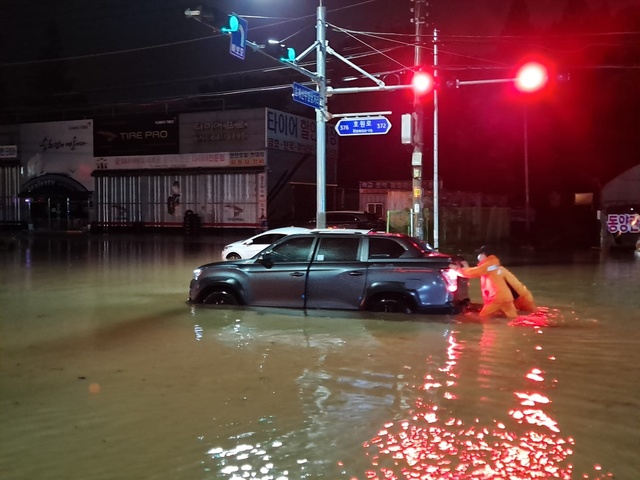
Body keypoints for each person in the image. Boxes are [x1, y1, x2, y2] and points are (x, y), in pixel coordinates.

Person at [452, 246, 535, 320]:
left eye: (480, 254)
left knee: (482, 317)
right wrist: (465, 268)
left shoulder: (489, 265)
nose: (478, 257)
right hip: (506, 298)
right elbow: (478, 271)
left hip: (496, 298)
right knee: (513, 318)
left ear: (484, 254)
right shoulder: (493, 265)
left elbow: (473, 272)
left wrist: (456, 269)